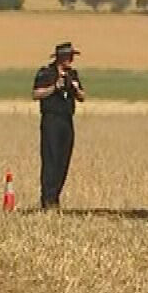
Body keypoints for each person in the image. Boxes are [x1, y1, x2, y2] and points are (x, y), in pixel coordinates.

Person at [32, 42, 86, 208]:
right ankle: (47, 198)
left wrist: (75, 89)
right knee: (51, 158)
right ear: (60, 58)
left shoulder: (73, 74)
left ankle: (55, 196)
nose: (70, 60)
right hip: (51, 119)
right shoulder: (46, 73)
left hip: (66, 119)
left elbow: (83, 96)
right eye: (68, 56)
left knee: (63, 159)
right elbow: (36, 94)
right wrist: (54, 88)